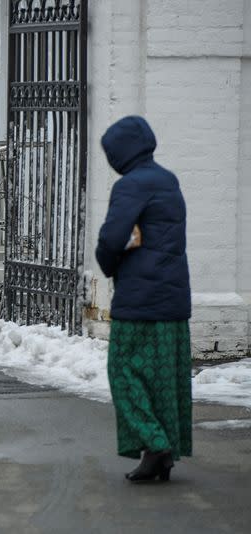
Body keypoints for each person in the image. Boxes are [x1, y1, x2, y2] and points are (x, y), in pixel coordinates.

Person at [95, 115, 192, 483]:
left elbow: (111, 238)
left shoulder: (130, 186)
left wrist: (107, 262)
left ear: (121, 152)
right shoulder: (168, 180)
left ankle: (156, 442)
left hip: (139, 302)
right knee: (163, 381)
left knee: (123, 372)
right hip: (173, 303)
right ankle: (159, 456)